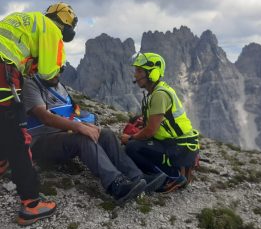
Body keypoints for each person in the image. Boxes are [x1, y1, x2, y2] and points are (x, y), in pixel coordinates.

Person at [22, 72, 167, 203]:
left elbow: (72, 113)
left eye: (59, 70)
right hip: (40, 141)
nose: (57, 73)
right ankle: (116, 185)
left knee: (106, 134)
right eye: (53, 70)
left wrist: (85, 124)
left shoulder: (60, 86)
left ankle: (138, 178)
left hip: (62, 135)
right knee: (83, 139)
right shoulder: (32, 85)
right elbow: (45, 117)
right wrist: (78, 127)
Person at [0, 2, 77, 225]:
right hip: (3, 72)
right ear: (66, 23)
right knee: (16, 133)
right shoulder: (52, 29)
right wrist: (56, 69)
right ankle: (31, 203)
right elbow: (47, 73)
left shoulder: (25, 19)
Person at [121, 52, 200, 192]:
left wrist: (131, 138)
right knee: (135, 130)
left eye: (139, 71)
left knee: (132, 147)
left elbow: (150, 131)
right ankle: (159, 172)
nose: (135, 75)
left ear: (153, 73)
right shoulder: (158, 91)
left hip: (177, 147)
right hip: (175, 143)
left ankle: (172, 177)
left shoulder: (159, 95)